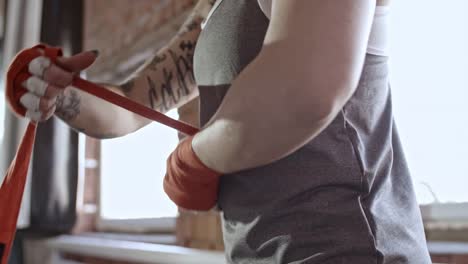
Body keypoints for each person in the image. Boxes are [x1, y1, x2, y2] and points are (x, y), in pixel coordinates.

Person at [16, 0, 432, 263]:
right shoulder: (213, 10)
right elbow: (130, 105)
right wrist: (65, 93)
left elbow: (308, 89)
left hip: (348, 249)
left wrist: (192, 159)